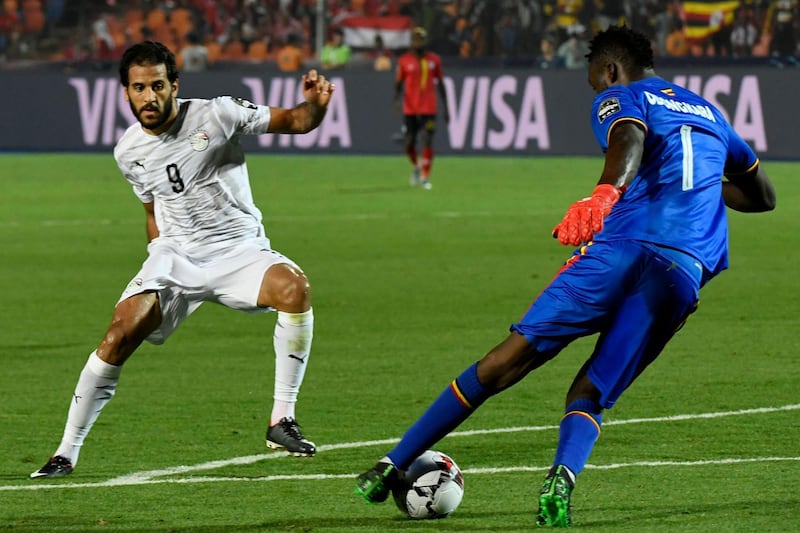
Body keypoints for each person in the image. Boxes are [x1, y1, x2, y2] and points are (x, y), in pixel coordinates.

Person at [354, 25, 775, 527]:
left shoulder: (623, 95)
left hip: (620, 249)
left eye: (594, 79)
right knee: (589, 394)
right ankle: (561, 481)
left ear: (611, 69)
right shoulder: (710, 113)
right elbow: (763, 196)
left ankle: (389, 466)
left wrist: (604, 194)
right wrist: (704, 186)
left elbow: (628, 137)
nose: (595, 90)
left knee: (505, 362)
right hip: (682, 271)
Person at [30, 41, 335, 479]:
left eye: (157, 85)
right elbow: (152, 211)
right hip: (175, 255)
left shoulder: (219, 113)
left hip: (236, 248)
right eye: (138, 88)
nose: (148, 97)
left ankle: (280, 421)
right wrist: (157, 263)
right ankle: (65, 453)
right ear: (126, 93)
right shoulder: (127, 152)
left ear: (175, 85)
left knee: (294, 289)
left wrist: (315, 104)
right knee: (118, 336)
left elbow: (297, 121)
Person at [394, 27, 449, 190]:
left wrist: (447, 108)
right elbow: (398, 84)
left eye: (421, 39)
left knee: (427, 139)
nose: (418, 42)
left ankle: (425, 177)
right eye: (415, 39)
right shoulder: (404, 61)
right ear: (411, 42)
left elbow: (441, 85)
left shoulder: (434, 60)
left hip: (429, 108)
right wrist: (396, 101)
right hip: (410, 108)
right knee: (409, 144)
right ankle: (417, 166)